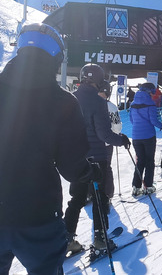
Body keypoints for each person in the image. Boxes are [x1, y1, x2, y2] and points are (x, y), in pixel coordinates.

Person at [0, 23, 94, 274]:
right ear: (56, 59)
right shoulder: (63, 102)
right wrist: (88, 172)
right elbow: (72, 166)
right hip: (38, 217)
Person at [65, 63, 131, 253]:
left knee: (76, 198)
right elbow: (104, 135)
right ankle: (100, 239)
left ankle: (66, 238)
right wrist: (121, 140)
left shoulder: (70, 98)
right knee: (99, 199)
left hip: (76, 158)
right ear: (100, 80)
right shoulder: (98, 101)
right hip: (97, 159)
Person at [129, 82, 162, 196]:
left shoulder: (133, 103)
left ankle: (136, 186)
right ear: (150, 92)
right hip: (148, 136)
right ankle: (148, 185)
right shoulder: (150, 104)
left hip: (136, 136)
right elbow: (154, 121)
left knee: (140, 161)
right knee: (149, 160)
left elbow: (132, 120)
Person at [99, 81, 123, 198]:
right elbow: (117, 126)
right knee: (106, 167)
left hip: (88, 142)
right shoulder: (111, 106)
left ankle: (88, 193)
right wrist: (115, 136)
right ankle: (107, 194)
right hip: (107, 143)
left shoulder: (88, 103)